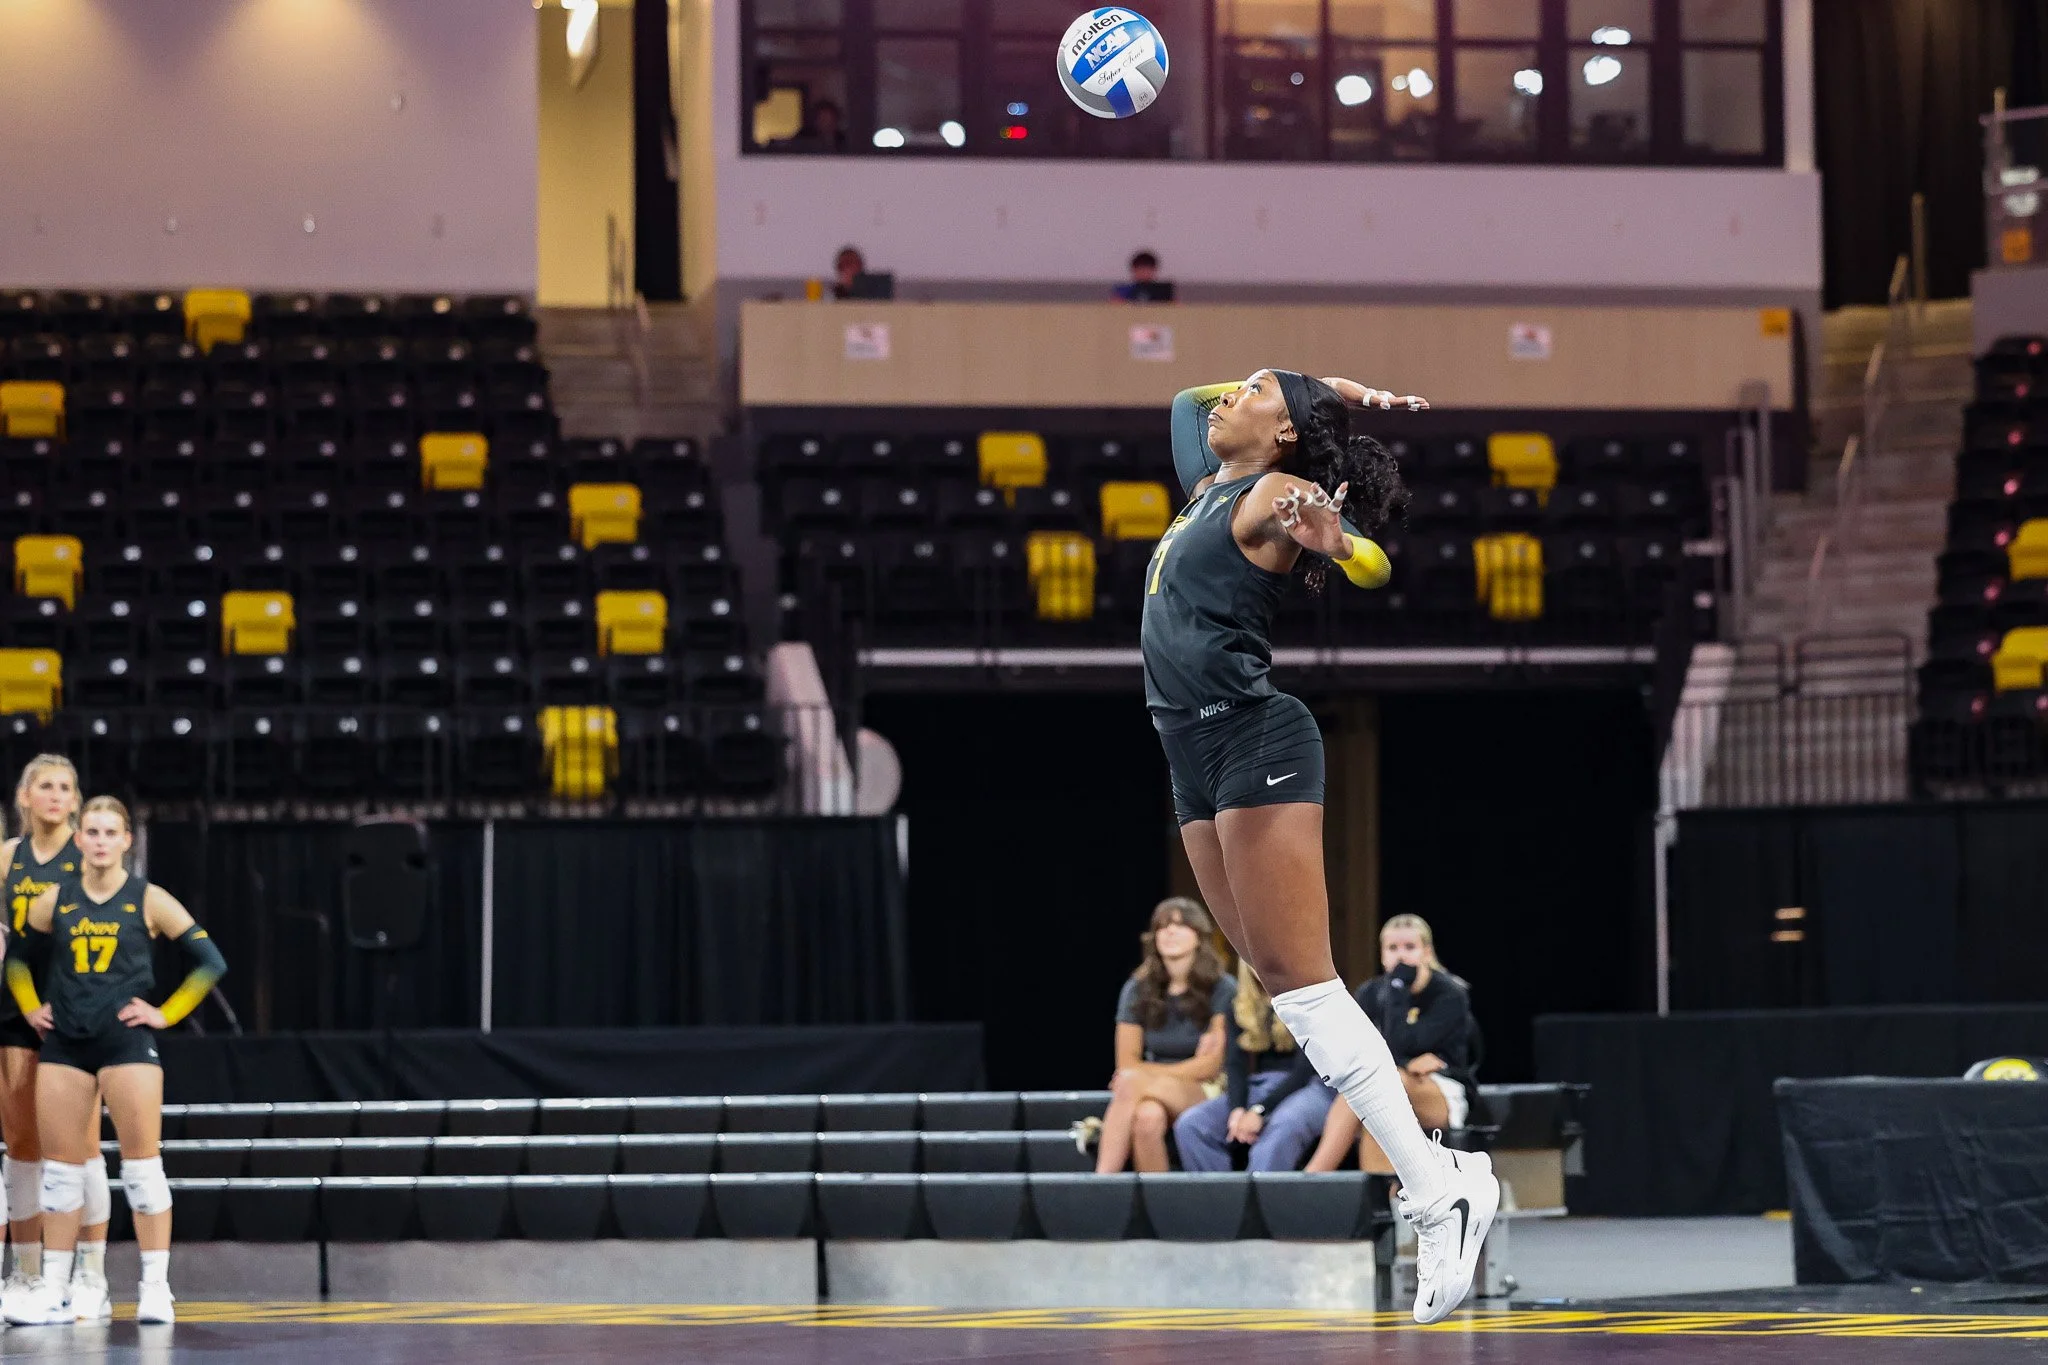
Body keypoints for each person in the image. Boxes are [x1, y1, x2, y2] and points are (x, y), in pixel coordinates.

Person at [1143, 368, 1500, 1323]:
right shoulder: (1208, 483)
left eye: (1255, 392)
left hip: (1251, 738)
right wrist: (1325, 383)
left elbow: (1370, 564)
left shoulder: (1271, 492)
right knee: (1278, 985)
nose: (1228, 398)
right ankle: (1450, 1178)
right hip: (1190, 754)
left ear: (1286, 436)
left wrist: (1342, 545)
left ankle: (1438, 1190)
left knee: (1307, 988)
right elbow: (1184, 401)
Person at [7, 796, 228, 1326]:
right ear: (79, 839)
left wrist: (166, 1013)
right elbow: (17, 961)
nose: (101, 841)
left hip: (125, 1045)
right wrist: (31, 1006)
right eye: (92, 832)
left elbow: (209, 962)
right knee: (60, 1175)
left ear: (127, 840)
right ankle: (55, 1289)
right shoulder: (54, 900)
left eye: (111, 833)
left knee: (142, 1169)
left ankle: (155, 1288)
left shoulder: (147, 898)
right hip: (65, 1046)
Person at [0, 757, 113, 1324]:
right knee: (21, 1142)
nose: (55, 795)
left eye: (65, 787)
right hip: (18, 1007)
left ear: (75, 800)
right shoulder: (7, 858)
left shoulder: (88, 854)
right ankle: (25, 1274)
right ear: (24, 796)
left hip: (73, 1009)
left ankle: (91, 1276)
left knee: (81, 1146)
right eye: (45, 785)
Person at [1304, 915, 1477, 1173]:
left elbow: (1402, 1044)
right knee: (1373, 1093)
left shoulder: (1450, 993)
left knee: (1380, 1084)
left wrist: (1398, 988)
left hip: (1443, 1088)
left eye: (1410, 947)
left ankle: (1314, 1176)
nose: (1401, 956)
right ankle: (1327, 1180)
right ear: (1382, 955)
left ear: (1427, 952)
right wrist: (1408, 1062)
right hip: (1388, 1080)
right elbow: (1356, 1050)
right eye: (1393, 948)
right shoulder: (1370, 993)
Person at [1096, 898, 1234, 1174]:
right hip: (1151, 1087)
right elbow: (1126, 1062)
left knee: (1130, 1083)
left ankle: (1100, 1183)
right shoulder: (1137, 988)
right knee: (1146, 1117)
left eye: (1180, 925)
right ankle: (1159, 1200)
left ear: (1199, 936)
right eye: (1162, 926)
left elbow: (1211, 1065)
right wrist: (1145, 1076)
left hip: (1208, 1087)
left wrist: (1145, 1074)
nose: (1170, 931)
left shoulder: (1223, 987)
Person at [1173, 964, 1335, 1172]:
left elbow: (1304, 1071)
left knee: (1281, 1127)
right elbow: (1235, 1065)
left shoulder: (1310, 999)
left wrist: (1259, 1111)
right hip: (1261, 1084)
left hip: (1312, 1086)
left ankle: (1260, 1194)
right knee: (1191, 1125)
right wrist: (1237, 1109)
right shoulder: (1238, 1005)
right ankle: (1222, 1193)